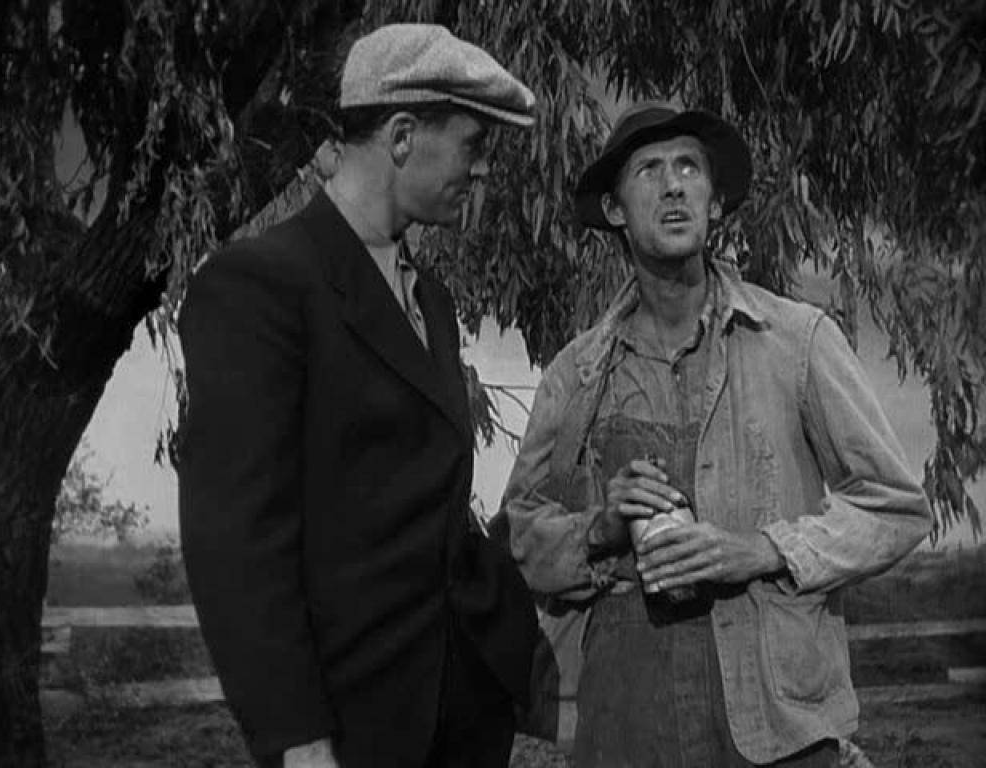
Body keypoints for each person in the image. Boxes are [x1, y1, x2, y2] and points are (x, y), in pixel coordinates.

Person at [499, 101, 932, 767]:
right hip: (628, 725)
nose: (673, 185)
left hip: (775, 728)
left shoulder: (796, 341)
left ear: (715, 202)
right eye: (648, 170)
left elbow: (895, 507)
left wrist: (762, 549)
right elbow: (520, 538)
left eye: (688, 168)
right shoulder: (578, 372)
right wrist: (601, 529)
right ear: (614, 210)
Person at [178, 24, 538, 768]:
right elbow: (238, 544)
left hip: (462, 714)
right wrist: (296, 738)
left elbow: (429, 505)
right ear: (402, 135)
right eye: (473, 145)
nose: (482, 173)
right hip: (351, 730)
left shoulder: (431, 300)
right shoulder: (260, 286)